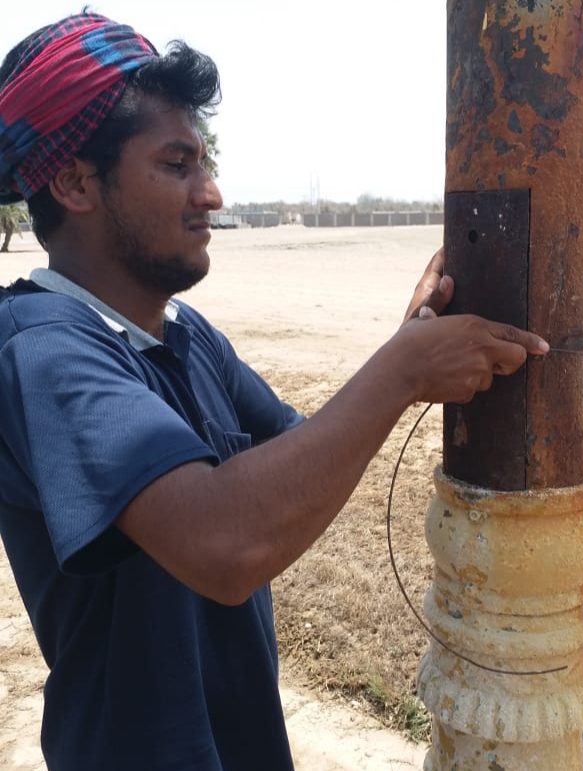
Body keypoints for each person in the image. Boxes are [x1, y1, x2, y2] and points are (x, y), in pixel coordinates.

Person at [0, 12, 548, 771]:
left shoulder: (183, 333)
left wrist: (409, 345)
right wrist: (401, 372)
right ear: (74, 182)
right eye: (176, 164)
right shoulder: (42, 348)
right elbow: (226, 543)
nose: (212, 193)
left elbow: (301, 456)